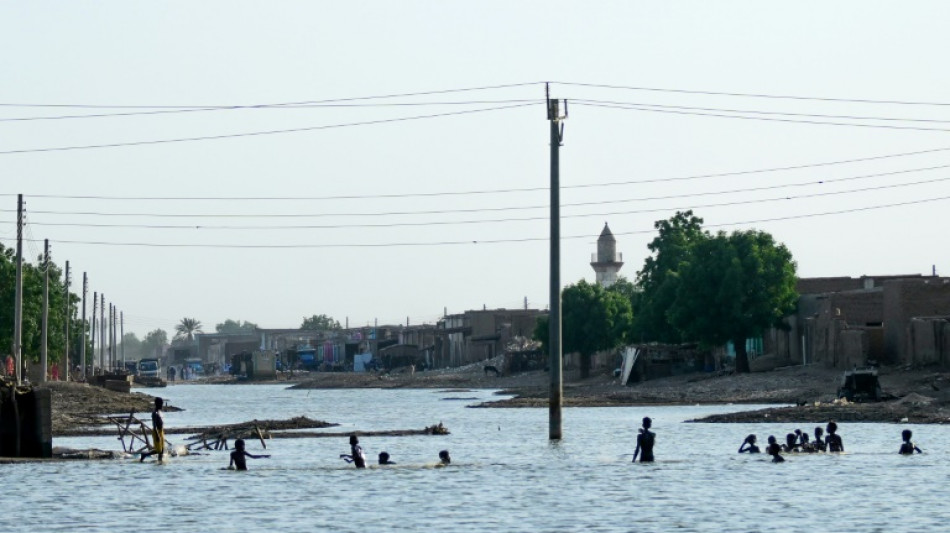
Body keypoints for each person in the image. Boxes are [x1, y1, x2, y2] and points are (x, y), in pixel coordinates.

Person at [140, 397, 166, 463]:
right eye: (161, 404)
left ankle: (160, 462)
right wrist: (157, 435)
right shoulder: (155, 413)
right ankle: (145, 454)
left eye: (162, 403)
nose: (162, 405)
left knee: (162, 449)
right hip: (156, 431)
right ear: (157, 404)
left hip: (161, 431)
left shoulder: (160, 412)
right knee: (158, 450)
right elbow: (154, 425)